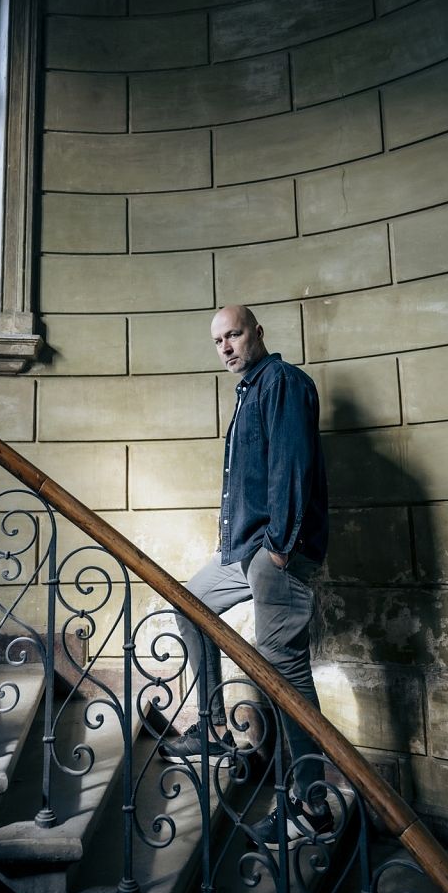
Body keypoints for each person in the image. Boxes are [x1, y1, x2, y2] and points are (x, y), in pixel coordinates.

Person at [158, 304, 333, 849]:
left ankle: (313, 808)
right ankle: (214, 729)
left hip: (276, 551)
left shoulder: (281, 381)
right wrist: (238, 544)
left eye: (234, 335)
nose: (226, 347)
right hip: (246, 548)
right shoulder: (250, 390)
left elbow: (293, 467)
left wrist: (279, 550)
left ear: (257, 333)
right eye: (218, 341)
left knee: (285, 671)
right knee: (189, 604)